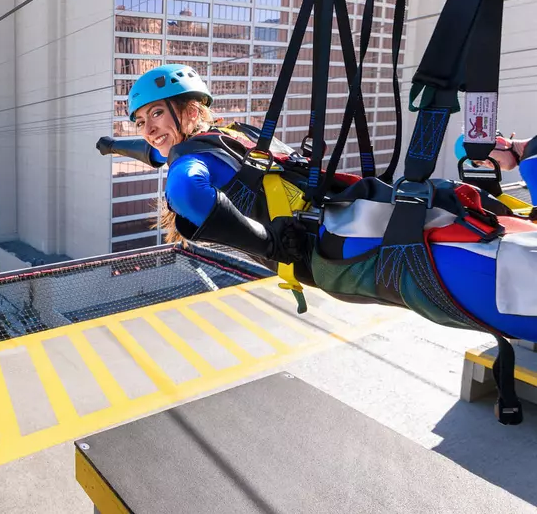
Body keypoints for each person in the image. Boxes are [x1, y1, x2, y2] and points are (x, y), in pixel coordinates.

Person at [98, 64, 537, 343]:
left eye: (156, 113)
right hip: (345, 218)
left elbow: (186, 193)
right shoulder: (237, 137)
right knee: (465, 220)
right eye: (141, 119)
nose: (149, 128)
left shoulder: (192, 161)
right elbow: (155, 150)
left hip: (333, 251)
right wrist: (117, 145)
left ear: (189, 110)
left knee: (486, 279)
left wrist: (270, 246)